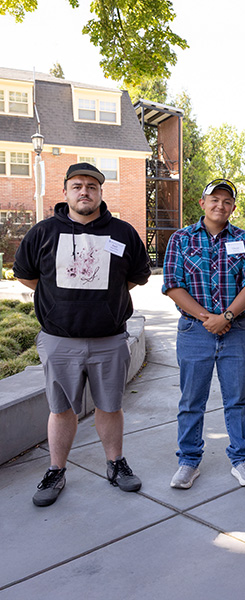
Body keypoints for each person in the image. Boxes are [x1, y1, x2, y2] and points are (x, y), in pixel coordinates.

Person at [13, 162, 151, 507]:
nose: (84, 191)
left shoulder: (122, 232)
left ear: (101, 192)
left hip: (109, 340)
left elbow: (134, 277)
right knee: (61, 409)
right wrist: (60, 302)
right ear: (66, 192)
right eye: (77, 186)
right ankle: (56, 470)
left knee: (110, 405)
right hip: (59, 341)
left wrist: (105, 303)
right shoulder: (43, 233)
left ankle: (116, 464)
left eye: (92, 186)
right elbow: (27, 276)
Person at [162, 179, 245, 489]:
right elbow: (172, 284)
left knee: (237, 399)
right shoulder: (181, 239)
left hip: (236, 331)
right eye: (214, 199)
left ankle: (242, 459)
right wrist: (208, 318)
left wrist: (227, 316)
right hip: (195, 331)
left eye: (227, 201)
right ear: (203, 204)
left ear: (233, 207)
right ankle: (188, 462)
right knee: (192, 400)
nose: (220, 205)